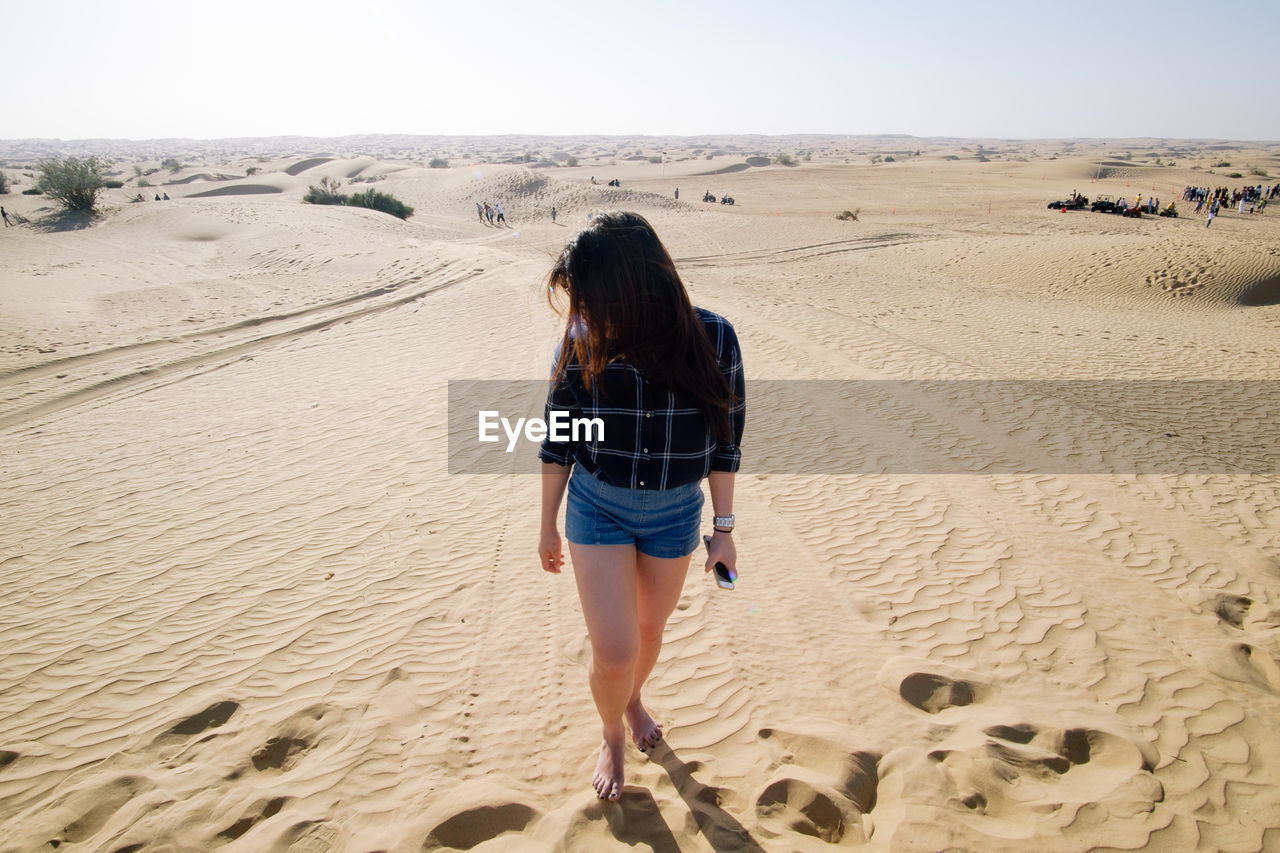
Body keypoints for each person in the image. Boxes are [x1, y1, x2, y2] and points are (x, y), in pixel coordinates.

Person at [537, 211, 745, 802]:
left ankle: (631, 701)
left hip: (678, 513)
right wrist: (547, 525)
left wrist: (723, 529)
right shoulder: (580, 345)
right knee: (615, 649)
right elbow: (558, 441)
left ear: (631, 288)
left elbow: (726, 443)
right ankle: (611, 732)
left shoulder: (716, 338)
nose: (579, 313)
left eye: (588, 296)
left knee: (649, 633)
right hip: (597, 507)